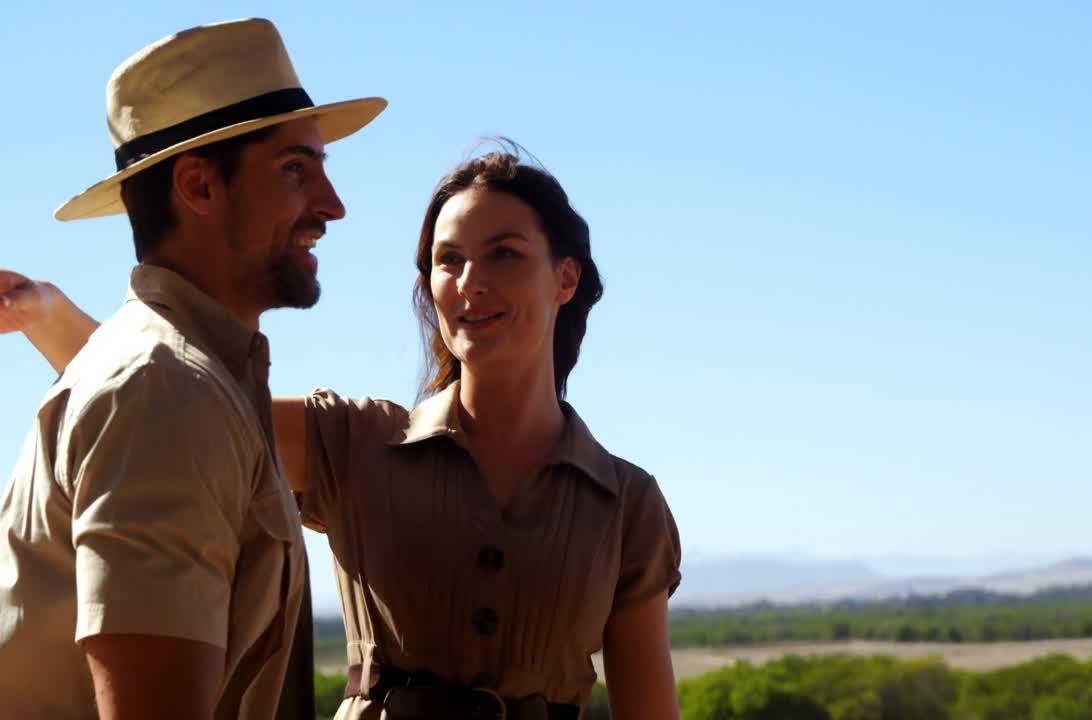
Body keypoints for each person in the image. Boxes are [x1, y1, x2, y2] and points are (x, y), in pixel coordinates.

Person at [3, 146, 682, 719]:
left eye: (503, 254)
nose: (470, 282)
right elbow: (170, 395)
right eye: (447, 261)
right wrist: (48, 314)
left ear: (565, 279)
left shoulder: (628, 505)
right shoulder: (354, 442)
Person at [0, 18, 385, 719]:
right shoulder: (166, 392)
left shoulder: (183, 379)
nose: (332, 205)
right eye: (296, 169)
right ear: (200, 187)